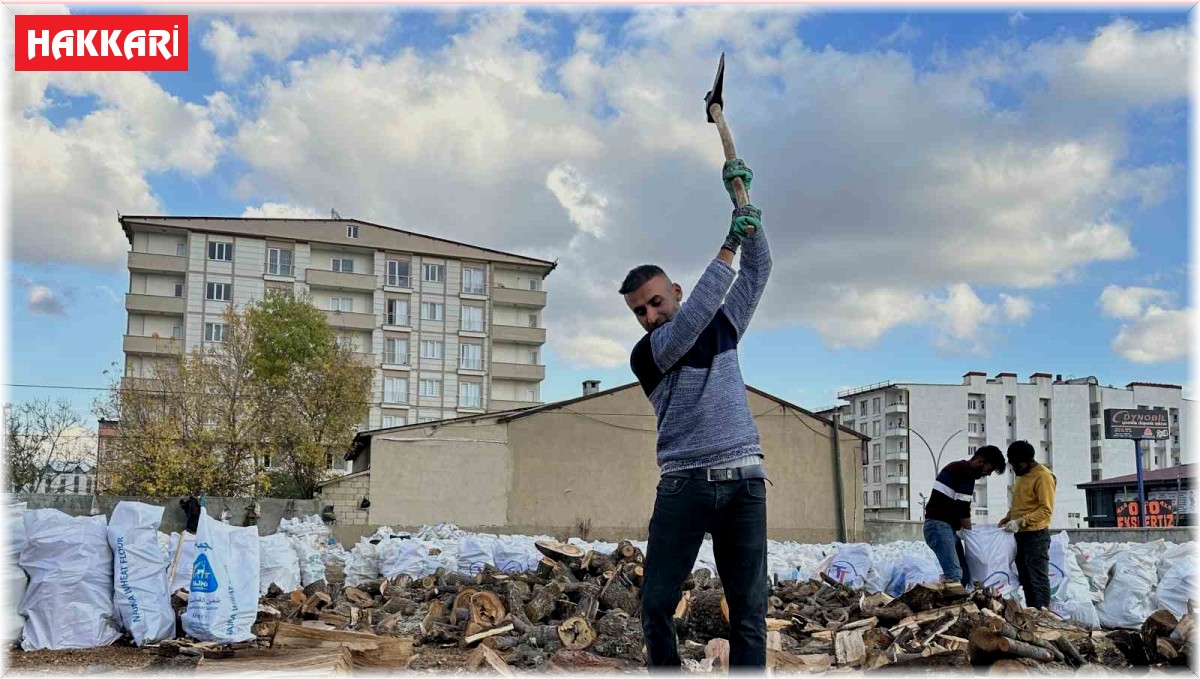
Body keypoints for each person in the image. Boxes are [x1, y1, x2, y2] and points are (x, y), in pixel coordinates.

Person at [620, 158, 771, 669]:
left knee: (749, 613)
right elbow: (693, 319)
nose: (650, 315)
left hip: (744, 482)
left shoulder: (724, 325)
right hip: (685, 484)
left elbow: (757, 272)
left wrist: (744, 209)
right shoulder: (651, 353)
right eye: (640, 311)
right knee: (656, 604)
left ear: (676, 292)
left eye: (656, 302)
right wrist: (729, 241)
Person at [922, 445, 1006, 586]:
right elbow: (963, 509)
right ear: (980, 461)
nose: (988, 474)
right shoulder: (966, 471)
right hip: (939, 526)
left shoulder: (958, 467)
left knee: (964, 577)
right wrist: (971, 534)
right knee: (954, 575)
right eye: (989, 469)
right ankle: (952, 600)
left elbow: (959, 507)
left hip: (945, 527)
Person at [999, 440, 1057, 609]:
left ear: (1028, 461)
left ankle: (1042, 614)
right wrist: (1008, 517)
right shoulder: (1022, 476)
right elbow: (1020, 503)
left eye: (1017, 464)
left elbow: (1046, 510)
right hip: (1020, 535)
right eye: (1012, 465)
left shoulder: (1043, 476)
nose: (1015, 468)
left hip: (1036, 536)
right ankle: (1032, 612)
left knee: (1037, 580)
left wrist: (1021, 521)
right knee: (1025, 580)